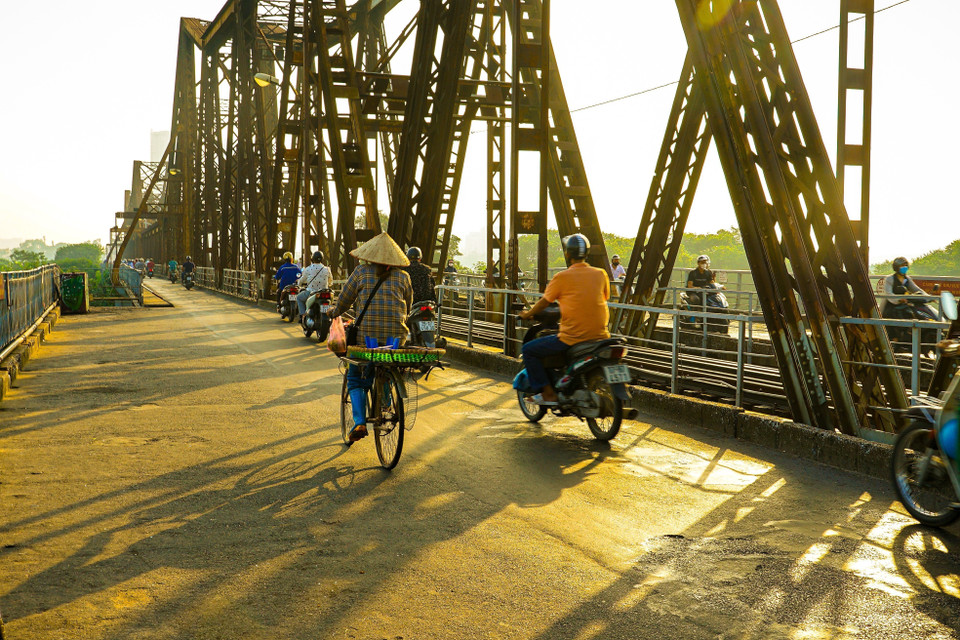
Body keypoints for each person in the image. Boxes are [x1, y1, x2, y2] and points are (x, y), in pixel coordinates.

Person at [327, 233, 413, 442]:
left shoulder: (361, 272)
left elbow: (344, 301)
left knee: (356, 377)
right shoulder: (403, 277)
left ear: (369, 256)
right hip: (396, 339)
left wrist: (333, 311)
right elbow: (408, 307)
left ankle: (359, 422)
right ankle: (385, 401)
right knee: (385, 364)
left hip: (367, 339)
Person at [518, 233, 610, 405]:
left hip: (572, 337)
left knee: (529, 350)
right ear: (587, 253)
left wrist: (528, 314)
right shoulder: (601, 274)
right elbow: (605, 298)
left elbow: (544, 302)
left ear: (568, 254)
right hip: (601, 335)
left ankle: (548, 393)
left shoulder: (562, 277)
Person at [296, 251, 331, 316]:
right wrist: (328, 284)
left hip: (311, 292)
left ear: (312, 259)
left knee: (299, 298)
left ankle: (302, 315)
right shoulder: (327, 269)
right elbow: (330, 281)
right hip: (324, 292)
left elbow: (302, 280)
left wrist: (299, 284)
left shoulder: (308, 269)